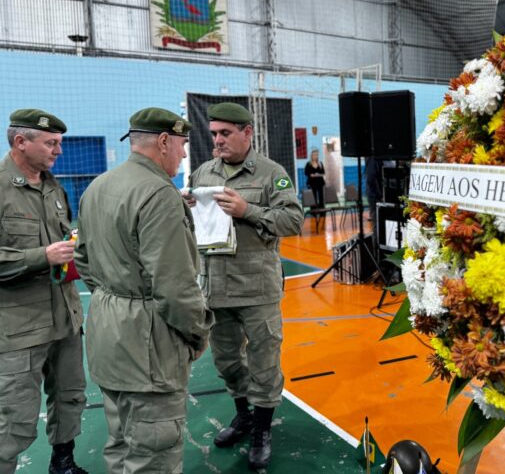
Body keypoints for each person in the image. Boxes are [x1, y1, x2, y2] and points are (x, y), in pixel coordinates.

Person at [74, 108, 213, 474]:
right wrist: (198, 334)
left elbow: (83, 260)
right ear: (164, 141)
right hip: (148, 350)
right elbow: (175, 287)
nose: (184, 153)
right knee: (153, 455)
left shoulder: (98, 186)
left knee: (121, 444)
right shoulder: (159, 194)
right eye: (182, 143)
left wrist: (118, 297)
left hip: (108, 336)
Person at [184, 102, 303, 471]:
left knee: (264, 363)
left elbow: (293, 220)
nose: (217, 140)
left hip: (256, 289)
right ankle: (244, 415)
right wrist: (187, 206)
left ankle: (262, 429)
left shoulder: (271, 174)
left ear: (247, 132)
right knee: (226, 360)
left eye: (225, 133)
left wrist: (247, 210)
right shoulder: (204, 172)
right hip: (215, 286)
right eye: (214, 134)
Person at [0, 109, 88, 474]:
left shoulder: (53, 187)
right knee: (14, 416)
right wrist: (42, 256)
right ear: (21, 142)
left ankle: (63, 462)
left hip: (65, 319)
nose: (59, 151)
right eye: (51, 143)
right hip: (20, 327)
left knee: (70, 396)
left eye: (59, 143)